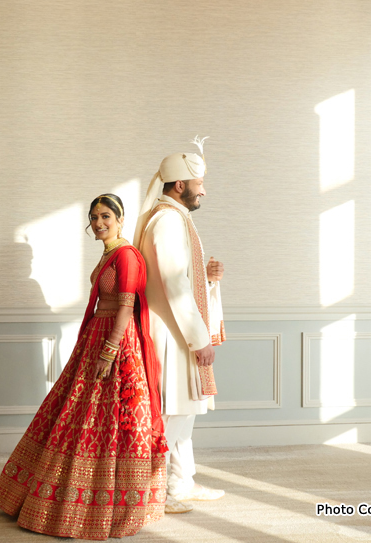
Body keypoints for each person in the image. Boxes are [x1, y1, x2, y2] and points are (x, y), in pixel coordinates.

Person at [0, 194, 167, 541]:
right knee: (75, 415)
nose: (99, 223)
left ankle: (104, 508)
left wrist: (110, 350)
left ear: (119, 218)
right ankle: (53, 498)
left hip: (114, 344)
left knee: (109, 421)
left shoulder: (127, 256)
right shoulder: (108, 254)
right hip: (95, 338)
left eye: (105, 216)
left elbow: (125, 307)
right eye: (94, 217)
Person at [133, 138, 226, 515]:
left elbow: (182, 279)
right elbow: (172, 284)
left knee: (185, 409)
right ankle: (160, 491)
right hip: (172, 334)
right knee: (172, 412)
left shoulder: (175, 218)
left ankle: (181, 482)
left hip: (177, 329)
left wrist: (209, 279)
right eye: (199, 184)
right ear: (180, 185)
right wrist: (198, 338)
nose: (203, 190)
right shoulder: (168, 220)